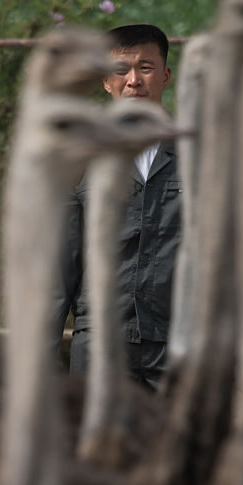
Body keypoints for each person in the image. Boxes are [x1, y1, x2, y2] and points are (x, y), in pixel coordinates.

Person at [54, 23, 181, 390]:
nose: (133, 80)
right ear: (105, 80)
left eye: (145, 67)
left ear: (166, 75)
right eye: (120, 69)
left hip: (181, 345)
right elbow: (60, 267)